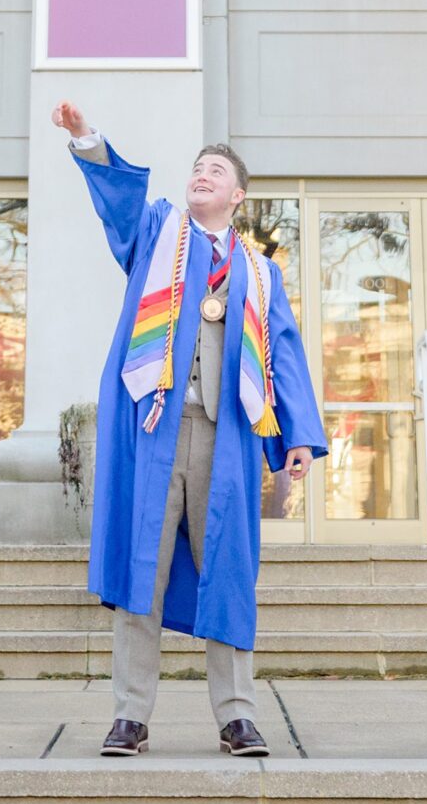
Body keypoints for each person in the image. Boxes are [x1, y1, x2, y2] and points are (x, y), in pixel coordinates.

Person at [51, 98, 327, 757]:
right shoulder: (157, 235)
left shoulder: (259, 273)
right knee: (139, 570)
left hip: (225, 434)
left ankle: (236, 716)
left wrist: (296, 433)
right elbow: (117, 202)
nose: (199, 175)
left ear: (237, 195)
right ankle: (130, 717)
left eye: (214, 170)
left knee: (227, 569)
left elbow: (281, 351)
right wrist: (88, 139)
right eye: (196, 168)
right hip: (153, 428)